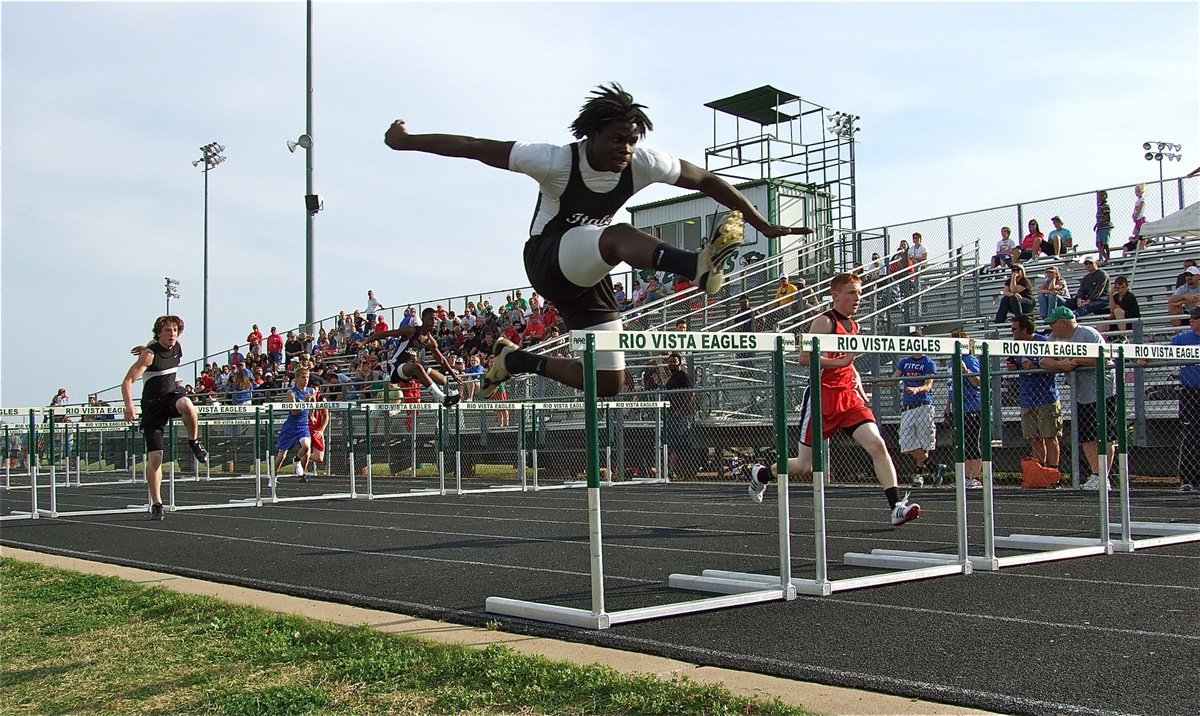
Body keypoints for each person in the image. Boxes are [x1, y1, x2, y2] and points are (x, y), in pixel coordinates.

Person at [384, 83, 810, 399]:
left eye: (631, 140)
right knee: (617, 235)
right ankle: (693, 265)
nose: (625, 149)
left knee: (608, 383)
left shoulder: (642, 163)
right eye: (616, 140)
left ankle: (514, 359)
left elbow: (706, 179)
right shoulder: (553, 159)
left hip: (590, 273)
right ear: (591, 135)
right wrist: (406, 142)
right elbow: (472, 146)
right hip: (548, 258)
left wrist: (764, 224)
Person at [747, 273, 921, 527]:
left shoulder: (855, 326)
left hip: (849, 397)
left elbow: (851, 366)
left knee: (877, 445)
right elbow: (805, 359)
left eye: (860, 293)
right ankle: (762, 473)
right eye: (851, 293)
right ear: (835, 295)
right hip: (822, 397)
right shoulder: (824, 322)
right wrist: (839, 362)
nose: (857, 298)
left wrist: (859, 388)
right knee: (804, 465)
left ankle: (896, 506)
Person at [121, 315, 209, 521]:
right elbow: (127, 381)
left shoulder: (178, 347)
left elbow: (164, 345)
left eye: (175, 331)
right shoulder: (149, 356)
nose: (172, 335)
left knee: (188, 404)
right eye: (168, 331)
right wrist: (129, 406)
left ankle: (194, 442)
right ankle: (157, 503)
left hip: (171, 397)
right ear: (159, 333)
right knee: (156, 457)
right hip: (153, 406)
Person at [1040, 307, 1116, 489]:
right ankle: (1095, 473)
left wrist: (1077, 360)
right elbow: (1043, 361)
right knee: (1087, 436)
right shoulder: (1054, 338)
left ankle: (1103, 475)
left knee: (1105, 435)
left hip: (1102, 391)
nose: (1051, 327)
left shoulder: (1089, 334)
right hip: (1081, 394)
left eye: (1053, 323)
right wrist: (1061, 364)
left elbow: (1104, 358)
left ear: (1063, 323)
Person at [363, 307, 463, 406]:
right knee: (417, 367)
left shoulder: (430, 341)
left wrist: (453, 375)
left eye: (435, 319)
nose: (433, 321)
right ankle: (442, 398)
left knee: (443, 380)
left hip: (411, 367)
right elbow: (386, 333)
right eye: (430, 318)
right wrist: (365, 341)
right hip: (396, 366)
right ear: (423, 319)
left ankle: (450, 394)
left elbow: (441, 359)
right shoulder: (411, 331)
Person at [1008, 315, 1064, 486]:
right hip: (1027, 398)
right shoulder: (1017, 346)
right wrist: (1014, 367)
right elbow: (1017, 365)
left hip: (1046, 397)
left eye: (1015, 329)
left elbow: (1054, 366)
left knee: (1049, 435)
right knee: (1034, 438)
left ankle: (1053, 473)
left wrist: (1036, 367)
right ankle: (1039, 472)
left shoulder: (1043, 342)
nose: (1012, 333)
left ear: (1025, 329)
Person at [893, 333, 945, 488]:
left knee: (924, 444)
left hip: (923, 405)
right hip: (908, 407)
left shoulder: (928, 362)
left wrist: (917, 389)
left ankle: (919, 475)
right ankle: (934, 467)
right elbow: (894, 378)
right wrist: (877, 383)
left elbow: (929, 385)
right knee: (906, 441)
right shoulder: (904, 362)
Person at [944, 330, 983, 489]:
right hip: (958, 407)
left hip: (971, 406)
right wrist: (948, 404)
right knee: (962, 443)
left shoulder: (969, 359)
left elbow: (978, 381)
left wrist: (966, 371)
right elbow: (951, 385)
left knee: (972, 442)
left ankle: (974, 476)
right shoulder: (951, 361)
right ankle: (965, 475)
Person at [1171, 309, 1200, 492]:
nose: (1191, 320)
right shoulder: (1182, 338)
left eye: (1195, 318)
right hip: (1191, 393)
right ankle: (1188, 479)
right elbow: (1162, 352)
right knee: (1191, 434)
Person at [273, 367, 314, 484]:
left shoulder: (311, 391)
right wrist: (306, 403)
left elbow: (313, 403)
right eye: (303, 377)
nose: (306, 380)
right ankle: (273, 475)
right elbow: (294, 411)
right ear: (296, 378)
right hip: (291, 426)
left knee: (306, 447)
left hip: (303, 425)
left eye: (307, 377)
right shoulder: (291, 393)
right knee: (282, 455)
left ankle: (297, 461)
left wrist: (312, 414)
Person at [663, 352, 697, 480]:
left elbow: (690, 395)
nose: (671, 364)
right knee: (672, 442)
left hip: (681, 416)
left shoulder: (684, 377)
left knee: (678, 442)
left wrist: (681, 411)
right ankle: (672, 470)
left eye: (674, 362)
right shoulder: (672, 378)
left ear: (680, 363)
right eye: (670, 361)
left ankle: (673, 470)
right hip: (672, 414)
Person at [306, 390, 329, 477]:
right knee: (306, 447)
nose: (313, 391)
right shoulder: (305, 397)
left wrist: (322, 430)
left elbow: (326, 416)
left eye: (316, 388)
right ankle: (303, 473)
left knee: (319, 458)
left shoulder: (322, 400)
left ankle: (299, 457)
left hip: (317, 429)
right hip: (306, 428)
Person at [1122, 183, 1147, 256]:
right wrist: (1133, 216)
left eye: (1138, 191)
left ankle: (1141, 246)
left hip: (1140, 218)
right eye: (1136, 191)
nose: (1137, 193)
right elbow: (1135, 209)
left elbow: (1140, 209)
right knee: (1136, 231)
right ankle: (1136, 241)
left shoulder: (1142, 200)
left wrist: (1136, 215)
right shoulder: (1137, 201)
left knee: (1141, 232)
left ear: (1142, 191)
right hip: (1137, 219)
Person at [1093, 190, 1113, 264]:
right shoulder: (1100, 205)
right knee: (1098, 244)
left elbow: (1107, 217)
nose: (1100, 197)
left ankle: (1108, 259)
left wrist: (1098, 223)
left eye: (1102, 195)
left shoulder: (1105, 205)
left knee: (1105, 244)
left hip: (1105, 227)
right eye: (1099, 196)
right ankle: (1107, 258)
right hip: (1100, 228)